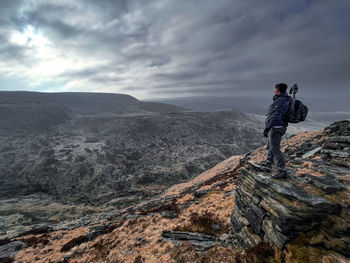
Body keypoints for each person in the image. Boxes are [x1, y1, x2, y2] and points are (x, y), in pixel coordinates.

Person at [259, 83, 290, 179]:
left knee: (275, 149)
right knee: (270, 145)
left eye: (275, 89)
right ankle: (268, 162)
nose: (273, 91)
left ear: (277, 90)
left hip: (276, 127)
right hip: (278, 126)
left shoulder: (280, 101)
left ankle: (282, 170)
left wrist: (267, 128)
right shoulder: (283, 99)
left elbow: (275, 116)